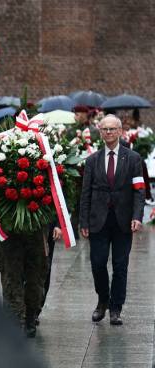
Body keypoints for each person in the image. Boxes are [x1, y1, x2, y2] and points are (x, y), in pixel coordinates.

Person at [80, 114, 145, 326]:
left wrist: (137, 216)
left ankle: (116, 308)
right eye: (105, 129)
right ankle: (102, 300)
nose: (108, 132)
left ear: (120, 131)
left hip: (123, 221)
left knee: (120, 266)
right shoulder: (92, 161)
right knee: (98, 264)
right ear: (100, 133)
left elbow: (139, 191)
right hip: (98, 220)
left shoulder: (133, 159)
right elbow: (85, 194)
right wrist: (84, 222)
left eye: (112, 129)